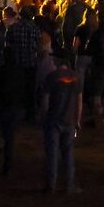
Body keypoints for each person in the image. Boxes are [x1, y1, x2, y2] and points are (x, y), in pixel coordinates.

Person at [41, 55, 82, 194]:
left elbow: (45, 100)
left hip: (54, 118)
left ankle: (51, 185)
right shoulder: (76, 77)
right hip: (69, 119)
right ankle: (69, 185)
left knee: (52, 153)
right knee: (68, 153)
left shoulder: (51, 77)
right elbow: (79, 101)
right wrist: (77, 120)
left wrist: (45, 116)